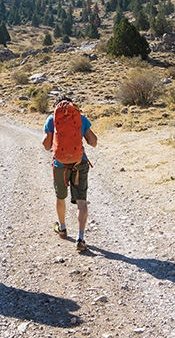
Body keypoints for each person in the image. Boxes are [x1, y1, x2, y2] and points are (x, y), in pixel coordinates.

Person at [42, 98, 98, 252]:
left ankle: (62, 228)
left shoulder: (52, 119)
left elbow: (46, 146)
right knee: (81, 201)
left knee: (60, 197)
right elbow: (93, 142)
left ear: (56, 107)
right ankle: (80, 238)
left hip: (60, 164)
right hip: (79, 163)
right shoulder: (80, 118)